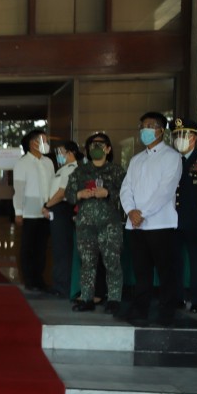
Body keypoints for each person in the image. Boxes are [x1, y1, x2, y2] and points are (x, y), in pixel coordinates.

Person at [119, 112, 183, 326]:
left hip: (161, 224)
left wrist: (142, 213)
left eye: (149, 125)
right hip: (136, 226)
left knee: (165, 270)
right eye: (142, 126)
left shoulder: (172, 157)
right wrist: (131, 211)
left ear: (161, 130)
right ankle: (140, 309)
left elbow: (165, 191)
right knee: (141, 271)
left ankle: (167, 312)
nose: (144, 130)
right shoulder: (136, 159)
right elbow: (126, 188)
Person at [66, 132, 126, 313]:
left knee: (112, 263)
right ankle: (86, 298)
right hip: (85, 225)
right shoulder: (80, 171)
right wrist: (79, 194)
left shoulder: (117, 171)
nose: (96, 149)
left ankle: (114, 299)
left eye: (100, 145)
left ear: (108, 149)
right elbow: (69, 194)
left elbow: (127, 195)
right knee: (87, 263)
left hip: (110, 225)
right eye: (92, 146)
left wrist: (108, 193)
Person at [171, 117, 197, 313]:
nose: (180, 139)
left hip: (196, 217)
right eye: (176, 135)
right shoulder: (170, 159)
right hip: (172, 218)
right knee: (174, 261)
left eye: (184, 135)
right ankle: (176, 298)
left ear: (194, 137)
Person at [13, 128, 56, 292]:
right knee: (28, 247)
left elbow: (53, 184)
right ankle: (29, 279)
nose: (46, 143)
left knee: (41, 247)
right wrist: (18, 212)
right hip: (29, 212)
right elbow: (19, 189)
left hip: (46, 211)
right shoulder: (22, 163)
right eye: (43, 140)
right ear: (33, 143)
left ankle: (39, 279)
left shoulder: (48, 162)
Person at [44, 140, 82, 300]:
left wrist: (47, 206)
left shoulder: (72, 169)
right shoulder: (63, 169)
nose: (58, 155)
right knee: (58, 248)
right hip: (56, 208)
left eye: (61, 152)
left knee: (63, 249)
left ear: (71, 152)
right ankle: (59, 284)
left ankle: (63, 287)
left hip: (62, 209)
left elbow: (62, 193)